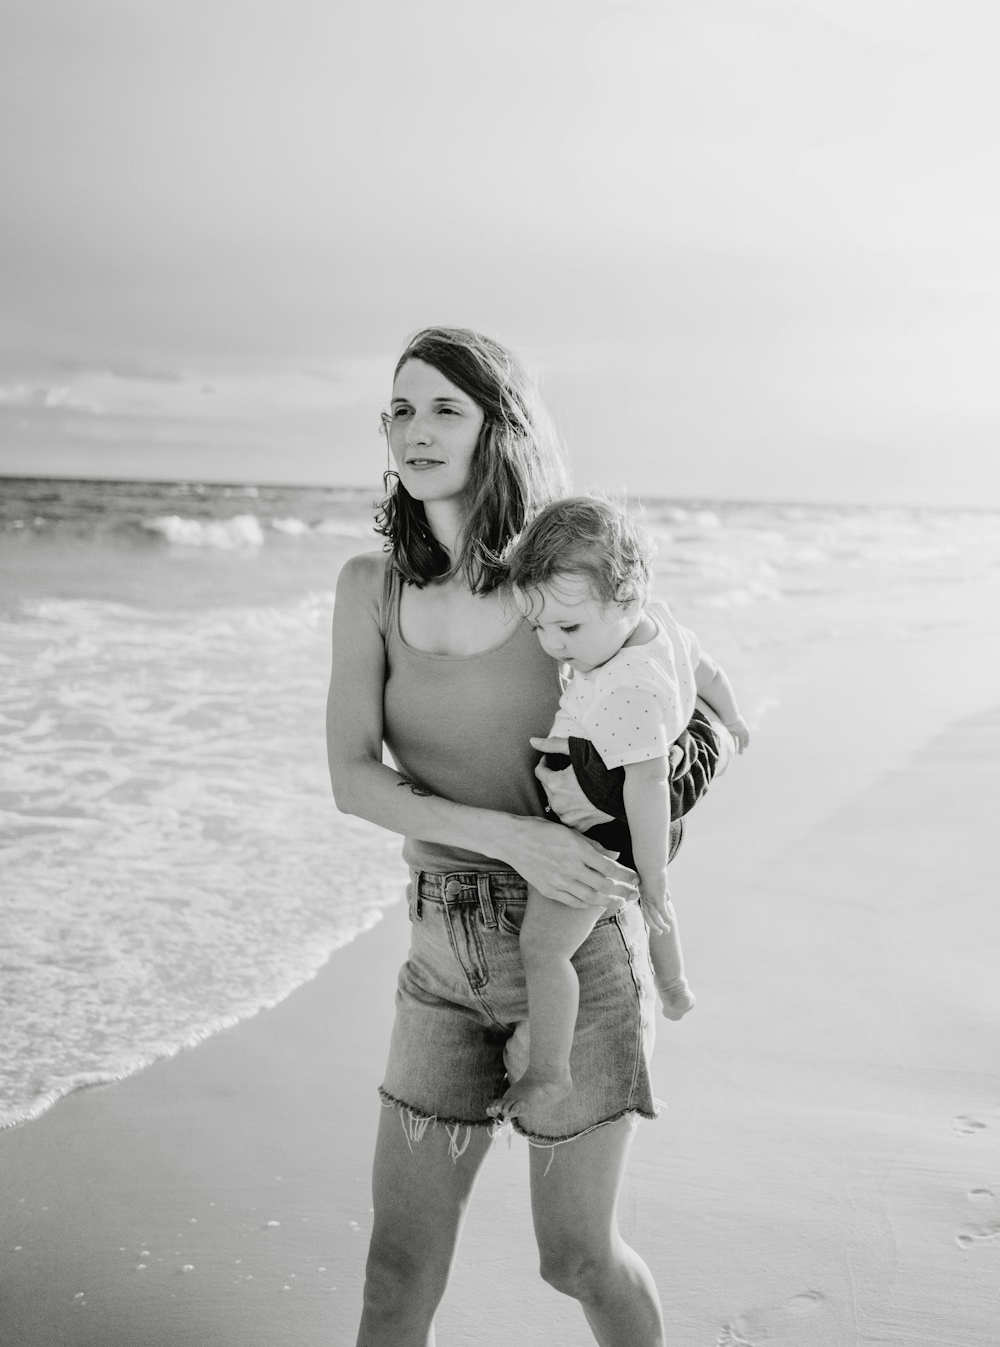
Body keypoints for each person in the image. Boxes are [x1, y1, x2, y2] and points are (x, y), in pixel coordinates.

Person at [327, 327, 668, 1346]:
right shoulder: (367, 588)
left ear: (498, 427)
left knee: (575, 1259)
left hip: (567, 954)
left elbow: (682, 700)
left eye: (444, 407)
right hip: (438, 954)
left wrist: (662, 809)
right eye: (399, 408)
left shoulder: (559, 582)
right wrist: (506, 836)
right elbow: (352, 779)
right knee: (396, 1268)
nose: (414, 429)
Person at [485, 496, 750, 1127]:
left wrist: (648, 870)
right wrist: (734, 718)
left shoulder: (627, 685)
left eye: (568, 629)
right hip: (646, 832)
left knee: (545, 949)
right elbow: (709, 671)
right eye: (539, 629)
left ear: (626, 599)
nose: (552, 646)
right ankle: (676, 985)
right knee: (655, 902)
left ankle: (550, 1071)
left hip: (614, 831)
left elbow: (649, 782)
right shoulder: (663, 625)